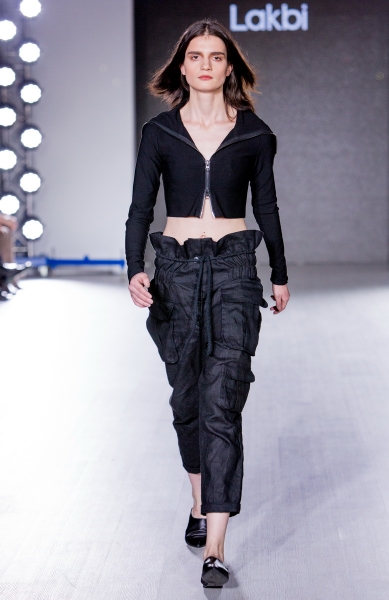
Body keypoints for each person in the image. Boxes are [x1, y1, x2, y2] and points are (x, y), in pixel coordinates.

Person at [125, 19, 290, 588]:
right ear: (182, 65)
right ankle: (199, 501)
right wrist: (134, 268)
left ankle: (214, 548)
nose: (205, 65)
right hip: (174, 272)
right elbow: (140, 207)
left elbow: (266, 207)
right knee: (188, 400)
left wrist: (280, 273)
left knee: (224, 401)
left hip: (233, 271)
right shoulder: (159, 133)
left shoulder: (255, 135)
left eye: (216, 57)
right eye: (195, 56)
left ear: (229, 67)